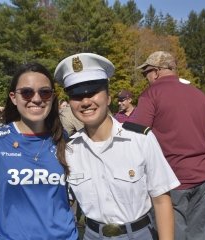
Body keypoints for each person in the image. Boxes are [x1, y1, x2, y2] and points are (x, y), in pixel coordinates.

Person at [54, 53, 180, 240]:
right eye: (77, 95)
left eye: (93, 92)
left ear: (109, 97)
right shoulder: (69, 149)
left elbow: (161, 201)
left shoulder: (140, 139)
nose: (86, 101)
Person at [132, 51, 205, 240]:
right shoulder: (199, 94)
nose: (145, 77)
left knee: (170, 235)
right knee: (199, 235)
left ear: (155, 72)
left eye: (145, 73)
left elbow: (135, 137)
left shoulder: (151, 94)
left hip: (169, 181)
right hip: (203, 179)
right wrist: (199, 163)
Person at [0, 62, 78, 240]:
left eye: (44, 92)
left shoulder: (65, 139)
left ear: (52, 98)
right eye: (27, 92)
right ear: (13, 97)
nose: (36, 99)